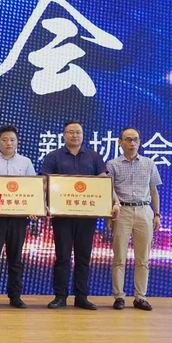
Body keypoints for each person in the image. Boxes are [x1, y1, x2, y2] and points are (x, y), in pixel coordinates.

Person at [40, 120, 107, 310]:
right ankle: (60, 296)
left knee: (83, 257)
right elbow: (44, 182)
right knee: (62, 257)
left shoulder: (94, 157)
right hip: (62, 216)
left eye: (78, 132)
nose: (75, 135)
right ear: (64, 135)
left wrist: (111, 203)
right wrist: (45, 205)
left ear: (83, 135)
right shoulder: (53, 157)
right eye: (71, 132)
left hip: (87, 216)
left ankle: (81, 297)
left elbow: (103, 182)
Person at [0, 125, 36, 309]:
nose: (8, 143)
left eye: (12, 140)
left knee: (15, 258)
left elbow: (33, 188)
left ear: (17, 142)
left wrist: (33, 207)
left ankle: (15, 296)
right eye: (4, 140)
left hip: (18, 218)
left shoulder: (25, 162)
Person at [106, 127, 162, 311]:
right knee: (119, 257)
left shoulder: (149, 163)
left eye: (135, 139)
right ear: (120, 142)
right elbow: (108, 190)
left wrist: (157, 214)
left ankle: (140, 297)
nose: (132, 143)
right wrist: (110, 214)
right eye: (128, 139)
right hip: (121, 211)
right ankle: (119, 296)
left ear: (139, 142)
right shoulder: (112, 164)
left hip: (144, 210)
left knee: (143, 258)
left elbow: (154, 190)